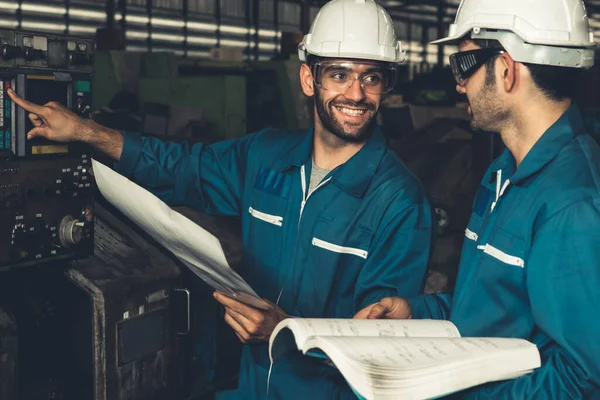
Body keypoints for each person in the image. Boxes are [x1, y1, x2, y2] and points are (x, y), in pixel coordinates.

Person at [8, 0, 435, 397]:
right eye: (339, 74)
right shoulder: (266, 157)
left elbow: (384, 345)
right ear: (309, 79)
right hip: (253, 387)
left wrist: (287, 330)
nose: (356, 94)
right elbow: (179, 166)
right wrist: (84, 132)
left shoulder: (398, 201)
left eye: (371, 76)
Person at [355, 0, 600, 398]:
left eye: (463, 67)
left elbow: (583, 378)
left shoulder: (573, 206)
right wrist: (416, 311)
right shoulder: (502, 173)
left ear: (506, 70)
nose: (458, 84)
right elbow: (491, 309)